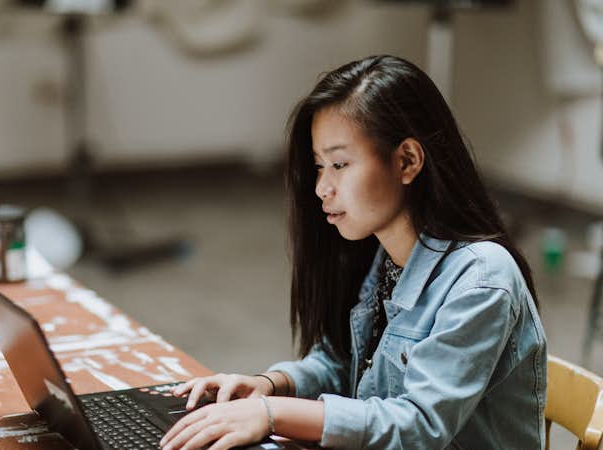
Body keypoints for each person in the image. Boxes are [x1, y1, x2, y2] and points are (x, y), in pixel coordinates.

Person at [159, 55, 547, 450]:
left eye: (340, 164)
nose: (321, 188)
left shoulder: (481, 280)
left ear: (407, 161)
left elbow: (418, 426)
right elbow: (343, 362)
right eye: (319, 166)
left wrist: (273, 413)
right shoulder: (383, 255)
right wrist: (267, 386)